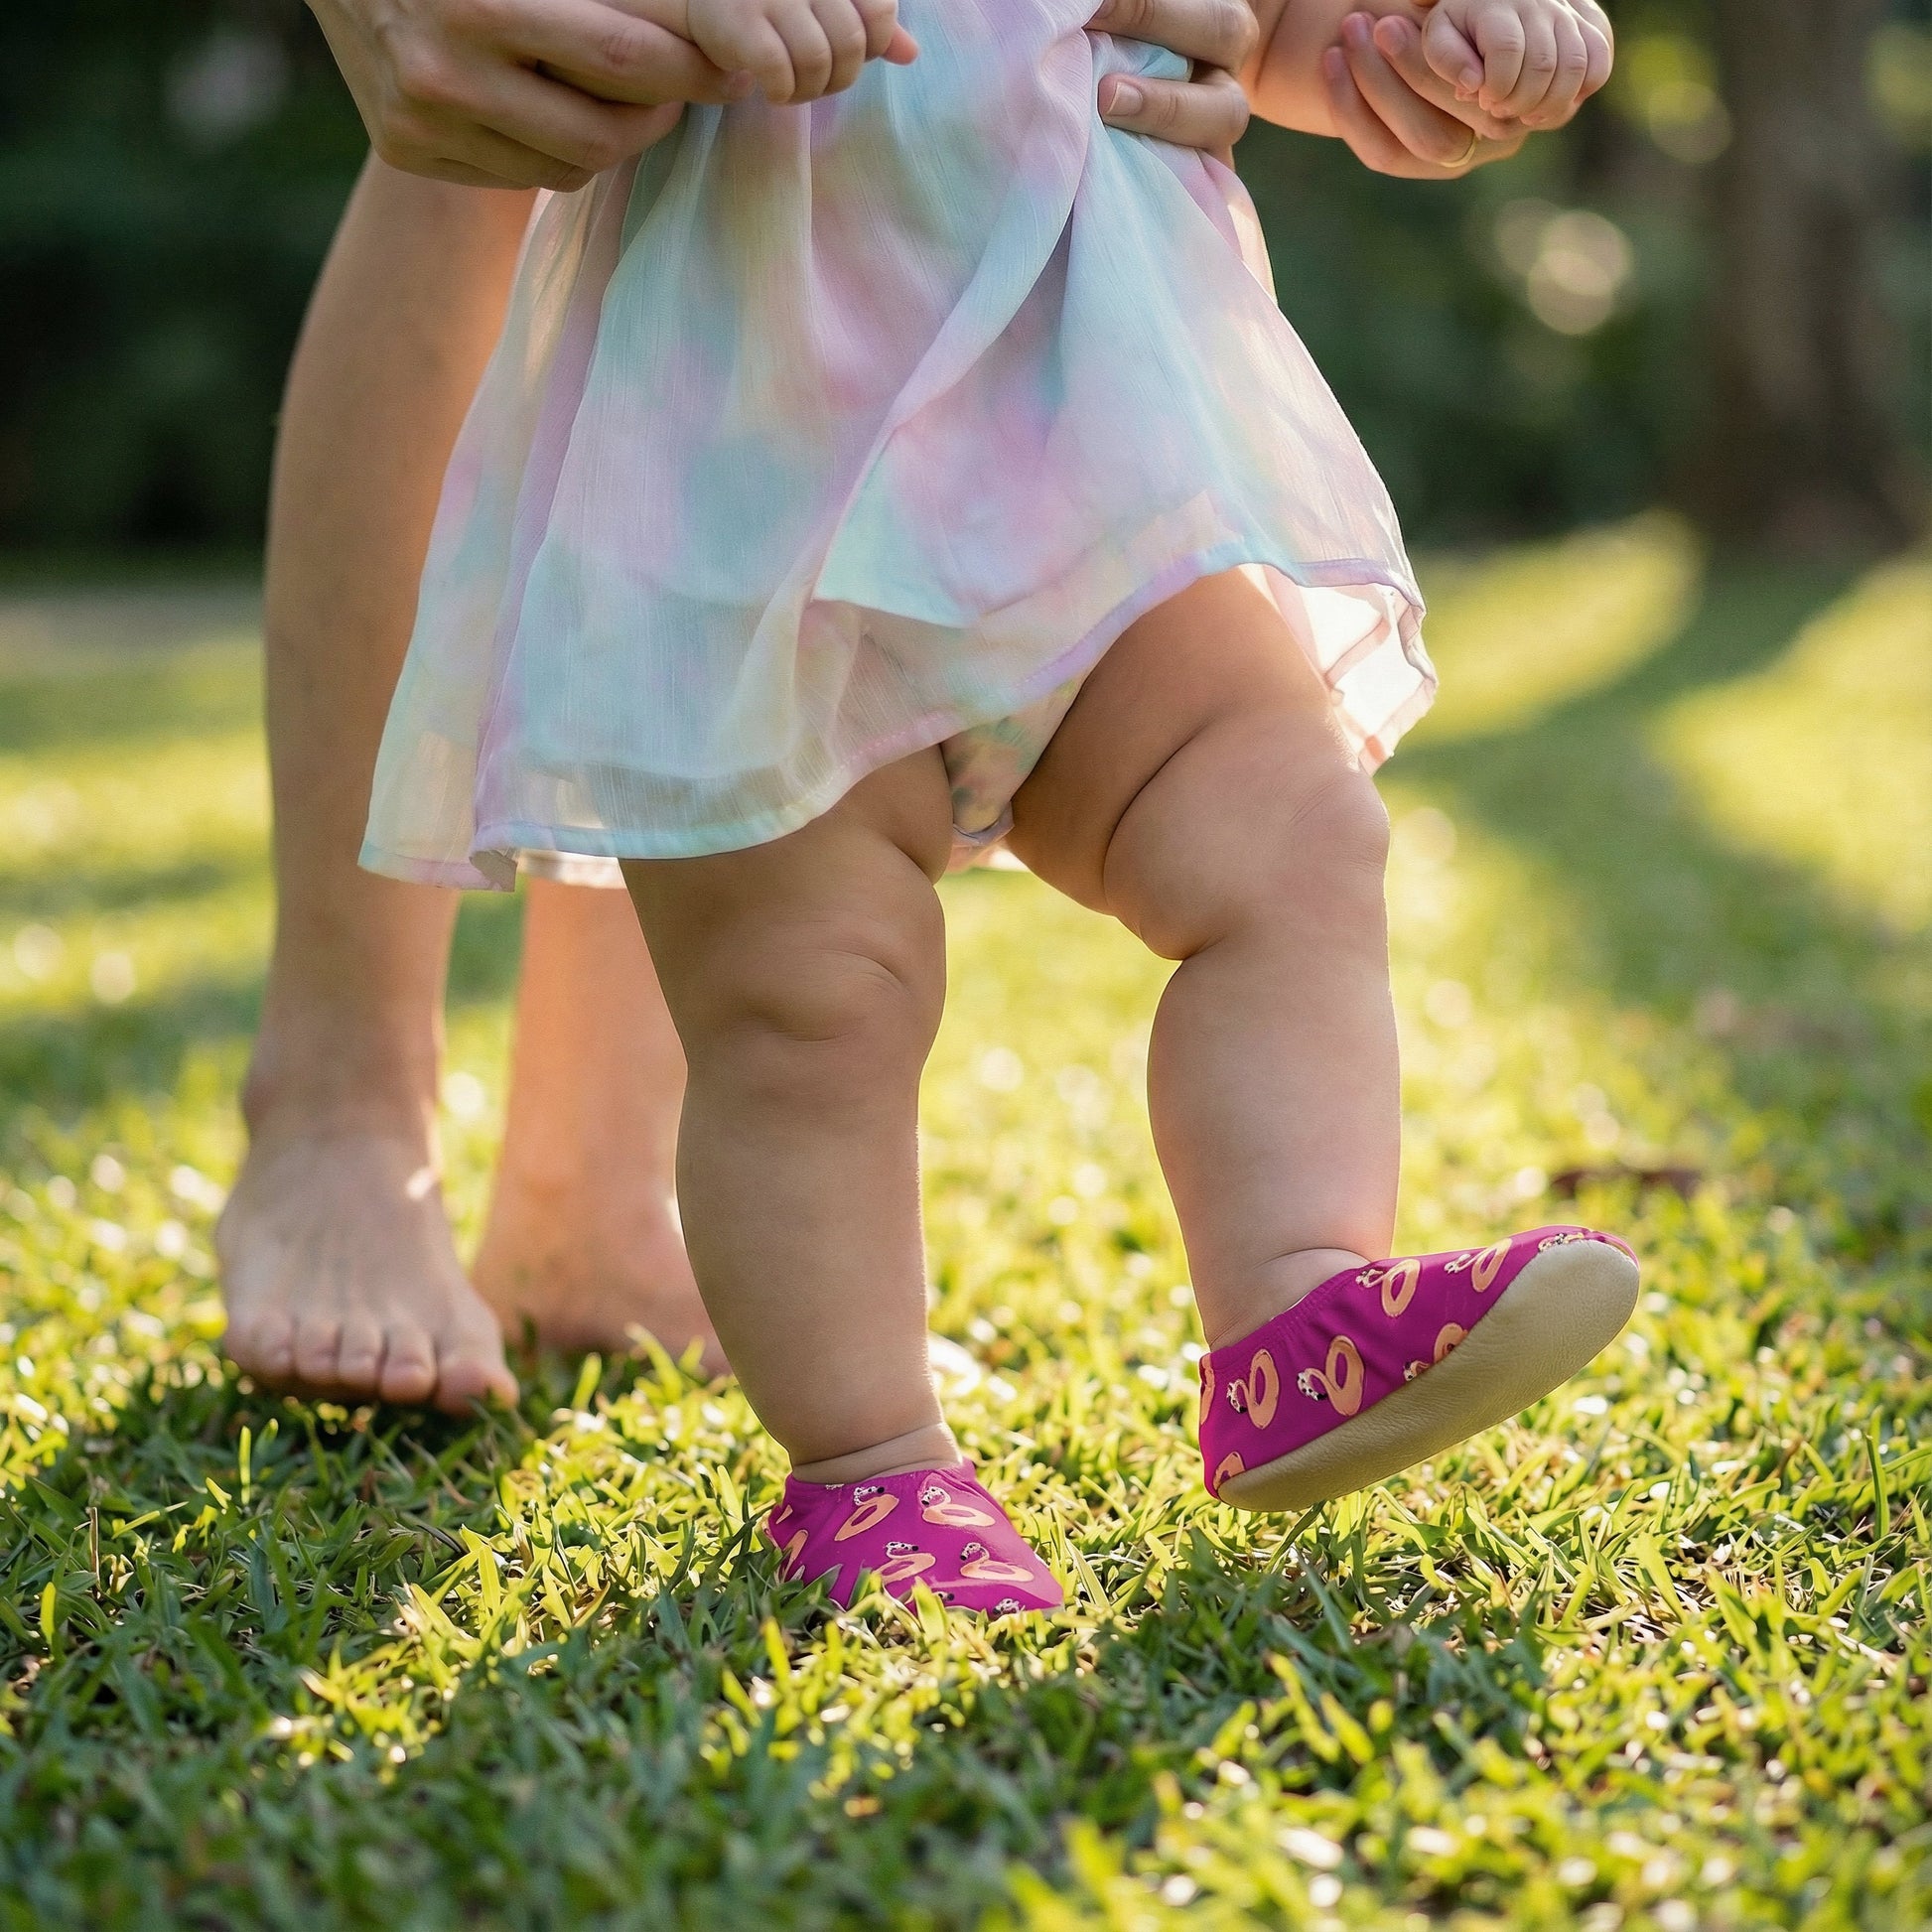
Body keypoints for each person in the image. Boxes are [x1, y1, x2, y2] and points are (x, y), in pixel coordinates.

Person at [352, 0, 1633, 1614]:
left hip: (1088, 462)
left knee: (1287, 831)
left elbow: (1267, 31)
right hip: (742, 482)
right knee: (807, 998)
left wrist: (1417, 36)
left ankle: (1292, 1305)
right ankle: (867, 1462)